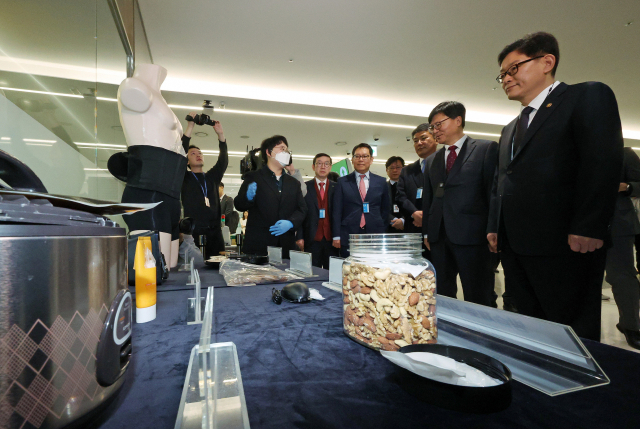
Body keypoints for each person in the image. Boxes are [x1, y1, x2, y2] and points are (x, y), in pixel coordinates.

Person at [487, 32, 623, 341]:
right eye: (502, 75)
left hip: (566, 242)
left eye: (513, 69)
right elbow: (503, 182)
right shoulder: (510, 128)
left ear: (547, 61)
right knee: (531, 325)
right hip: (517, 244)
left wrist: (590, 226)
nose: (506, 79)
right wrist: (496, 225)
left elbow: (601, 162)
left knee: (570, 328)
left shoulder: (586, 96)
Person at [422, 102, 498, 307]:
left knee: (478, 293)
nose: (435, 131)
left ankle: (482, 335)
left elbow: (493, 193)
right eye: (432, 127)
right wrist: (427, 233)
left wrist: (494, 229)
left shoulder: (485, 149)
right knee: (443, 294)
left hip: (473, 237)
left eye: (438, 124)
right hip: (439, 238)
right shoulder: (432, 160)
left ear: (458, 120)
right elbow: (429, 199)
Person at [234, 135, 307, 259]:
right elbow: (239, 205)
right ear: (268, 152)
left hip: (285, 246)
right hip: (259, 245)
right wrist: (248, 197)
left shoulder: (294, 183)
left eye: (287, 150)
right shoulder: (254, 177)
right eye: (281, 148)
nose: (285, 152)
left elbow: (302, 209)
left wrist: (291, 223)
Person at [606, 147, 640, 349]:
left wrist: (625, 187)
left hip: (618, 223)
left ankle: (630, 326)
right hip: (579, 223)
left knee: (622, 276)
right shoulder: (573, 150)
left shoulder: (625, 153)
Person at [181, 113, 228, 259]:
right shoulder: (185, 177)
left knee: (218, 269)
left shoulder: (212, 177)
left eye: (200, 153)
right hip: (193, 234)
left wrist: (220, 135)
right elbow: (180, 152)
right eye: (193, 153)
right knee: (197, 270)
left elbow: (223, 161)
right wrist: (190, 126)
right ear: (187, 161)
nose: (198, 155)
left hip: (215, 234)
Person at [332, 143, 390, 257]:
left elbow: (385, 209)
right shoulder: (342, 182)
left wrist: (382, 231)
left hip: (374, 233)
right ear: (352, 160)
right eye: (357, 156)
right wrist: (336, 235)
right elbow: (337, 210)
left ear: (371, 159)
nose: (360, 160)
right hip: (349, 232)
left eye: (364, 156)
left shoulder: (381, 182)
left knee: (373, 267)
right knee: (350, 268)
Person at [297, 153, 338, 268]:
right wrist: (299, 236)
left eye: (326, 164)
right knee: (312, 272)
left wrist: (339, 236)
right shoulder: (304, 187)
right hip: (311, 238)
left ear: (330, 167)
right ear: (313, 167)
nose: (323, 167)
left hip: (332, 240)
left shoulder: (337, 187)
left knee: (332, 272)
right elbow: (300, 212)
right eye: (319, 163)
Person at [396, 124, 438, 238]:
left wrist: (427, 217)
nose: (419, 143)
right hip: (413, 229)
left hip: (439, 229)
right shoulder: (406, 171)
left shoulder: (445, 165)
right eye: (415, 140)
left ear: (436, 139)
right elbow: (400, 197)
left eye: (423, 138)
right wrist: (414, 213)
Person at [385, 156, 405, 233]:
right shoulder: (382, 187)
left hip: (407, 226)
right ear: (387, 170)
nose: (395, 170)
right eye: (391, 168)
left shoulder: (409, 187)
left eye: (398, 167)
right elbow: (379, 207)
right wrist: (393, 220)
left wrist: (402, 220)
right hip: (388, 227)